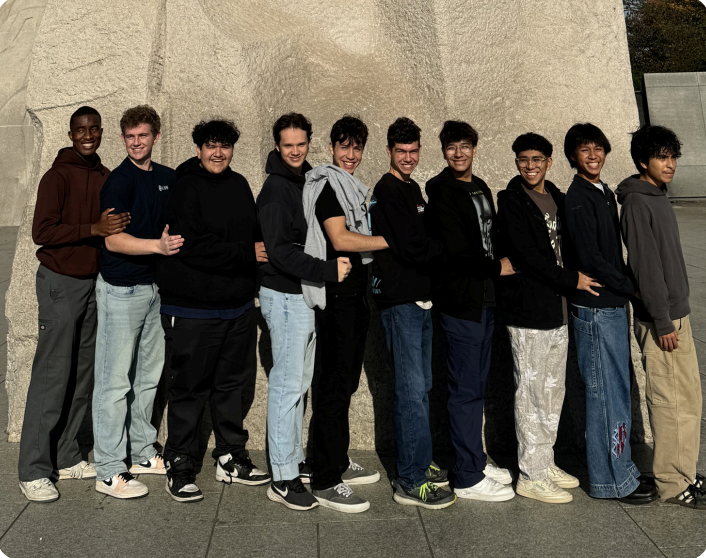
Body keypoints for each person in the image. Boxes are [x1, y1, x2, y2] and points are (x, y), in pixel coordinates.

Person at [18, 106, 128, 503]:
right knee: (51, 375)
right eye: (81, 130)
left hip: (93, 284)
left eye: (94, 129)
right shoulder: (56, 175)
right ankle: (32, 469)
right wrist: (92, 229)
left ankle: (66, 456)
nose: (88, 135)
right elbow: (41, 232)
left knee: (82, 378)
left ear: (101, 133)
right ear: (70, 133)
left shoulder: (104, 175)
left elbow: (111, 223)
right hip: (60, 283)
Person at [158, 120, 270, 503]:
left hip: (236, 308)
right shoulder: (186, 186)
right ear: (199, 148)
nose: (217, 153)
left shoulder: (239, 185)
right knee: (189, 389)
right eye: (210, 146)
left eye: (224, 146)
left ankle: (230, 457)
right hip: (193, 309)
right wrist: (244, 255)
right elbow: (190, 245)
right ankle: (180, 464)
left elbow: (255, 234)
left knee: (230, 388)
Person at [496, 132, 601, 504]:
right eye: (523, 159)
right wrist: (572, 279)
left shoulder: (555, 196)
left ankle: (545, 459)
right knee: (531, 392)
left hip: (557, 311)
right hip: (528, 312)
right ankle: (530, 473)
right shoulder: (511, 202)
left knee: (553, 392)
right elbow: (526, 256)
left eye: (537, 159)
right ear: (516, 163)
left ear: (549, 162)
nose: (530, 166)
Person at [257, 112, 352, 511]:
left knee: (298, 385)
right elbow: (279, 252)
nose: (295, 151)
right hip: (284, 295)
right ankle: (282, 477)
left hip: (303, 295)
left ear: (308, 142)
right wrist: (327, 270)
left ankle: (293, 462)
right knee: (287, 385)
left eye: (300, 143)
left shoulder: (307, 180)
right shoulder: (277, 188)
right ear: (278, 146)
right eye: (287, 145)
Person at [562, 122, 657, 504]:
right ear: (572, 156)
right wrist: (631, 287)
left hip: (611, 306)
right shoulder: (578, 197)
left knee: (616, 392)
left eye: (598, 148)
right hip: (597, 311)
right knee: (603, 397)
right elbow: (592, 259)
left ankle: (624, 471)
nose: (593, 155)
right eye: (585, 150)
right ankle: (610, 482)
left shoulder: (601, 193)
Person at [93, 105, 183, 499]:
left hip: (154, 291)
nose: (136, 143)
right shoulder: (118, 181)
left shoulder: (168, 178)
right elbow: (112, 240)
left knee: (148, 377)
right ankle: (109, 468)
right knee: (114, 382)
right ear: (123, 138)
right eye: (129, 137)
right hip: (120, 290)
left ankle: (141, 452)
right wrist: (157, 248)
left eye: (143, 136)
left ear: (156, 137)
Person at [300, 115, 388, 513]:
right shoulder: (328, 187)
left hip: (356, 296)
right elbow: (340, 238)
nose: (350, 155)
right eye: (344, 147)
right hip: (336, 299)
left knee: (347, 382)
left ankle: (334, 457)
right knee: (334, 385)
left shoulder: (353, 189)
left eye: (356, 148)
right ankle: (325, 479)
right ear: (331, 148)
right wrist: (392, 240)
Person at [425, 120, 515, 503]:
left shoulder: (479, 188)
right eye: (451, 147)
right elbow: (456, 251)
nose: (458, 153)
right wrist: (498, 268)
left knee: (475, 386)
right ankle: (466, 475)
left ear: (475, 149)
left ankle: (473, 459)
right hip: (462, 301)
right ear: (443, 152)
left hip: (485, 301)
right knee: (464, 389)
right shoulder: (442, 192)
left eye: (465, 146)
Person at [369, 117, 455, 510]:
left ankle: (420, 462)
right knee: (410, 393)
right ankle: (410, 480)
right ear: (388, 151)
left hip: (421, 301)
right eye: (401, 151)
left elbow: (421, 240)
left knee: (421, 389)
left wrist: (431, 245)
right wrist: (445, 251)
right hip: (401, 304)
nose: (407, 158)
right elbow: (410, 246)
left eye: (413, 151)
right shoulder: (388, 190)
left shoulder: (412, 188)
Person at [617, 124, 705, 510]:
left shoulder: (656, 195)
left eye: (673, 157)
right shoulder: (637, 203)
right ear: (642, 161)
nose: (670, 165)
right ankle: (672, 482)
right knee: (670, 402)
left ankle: (684, 471)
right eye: (662, 157)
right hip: (662, 321)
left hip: (675, 314)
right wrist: (663, 321)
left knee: (688, 401)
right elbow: (646, 267)